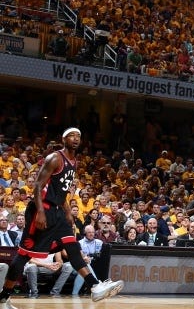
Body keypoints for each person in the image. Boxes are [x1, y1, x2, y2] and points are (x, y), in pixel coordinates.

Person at [0, 128, 123, 303]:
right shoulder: (55, 158)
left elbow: (61, 192)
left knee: (72, 247)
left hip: (57, 211)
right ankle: (4, 296)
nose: (76, 139)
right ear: (63, 139)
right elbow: (37, 186)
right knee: (24, 255)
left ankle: (94, 286)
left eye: (79, 136)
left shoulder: (74, 162)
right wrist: (41, 212)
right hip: (41, 209)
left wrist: (67, 212)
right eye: (72, 136)